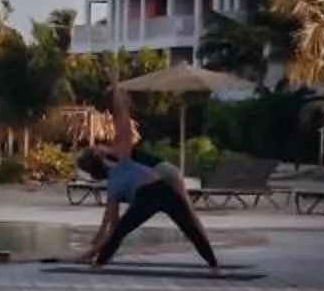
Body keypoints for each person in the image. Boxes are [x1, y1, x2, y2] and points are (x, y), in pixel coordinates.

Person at [82, 95, 222, 271]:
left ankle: (99, 265)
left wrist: (97, 253)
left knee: (122, 232)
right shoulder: (124, 159)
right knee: (189, 228)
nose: (100, 146)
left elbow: (114, 225)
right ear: (101, 159)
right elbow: (124, 125)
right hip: (161, 190)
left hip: (147, 196)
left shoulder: (114, 182)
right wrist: (121, 98)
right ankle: (214, 265)